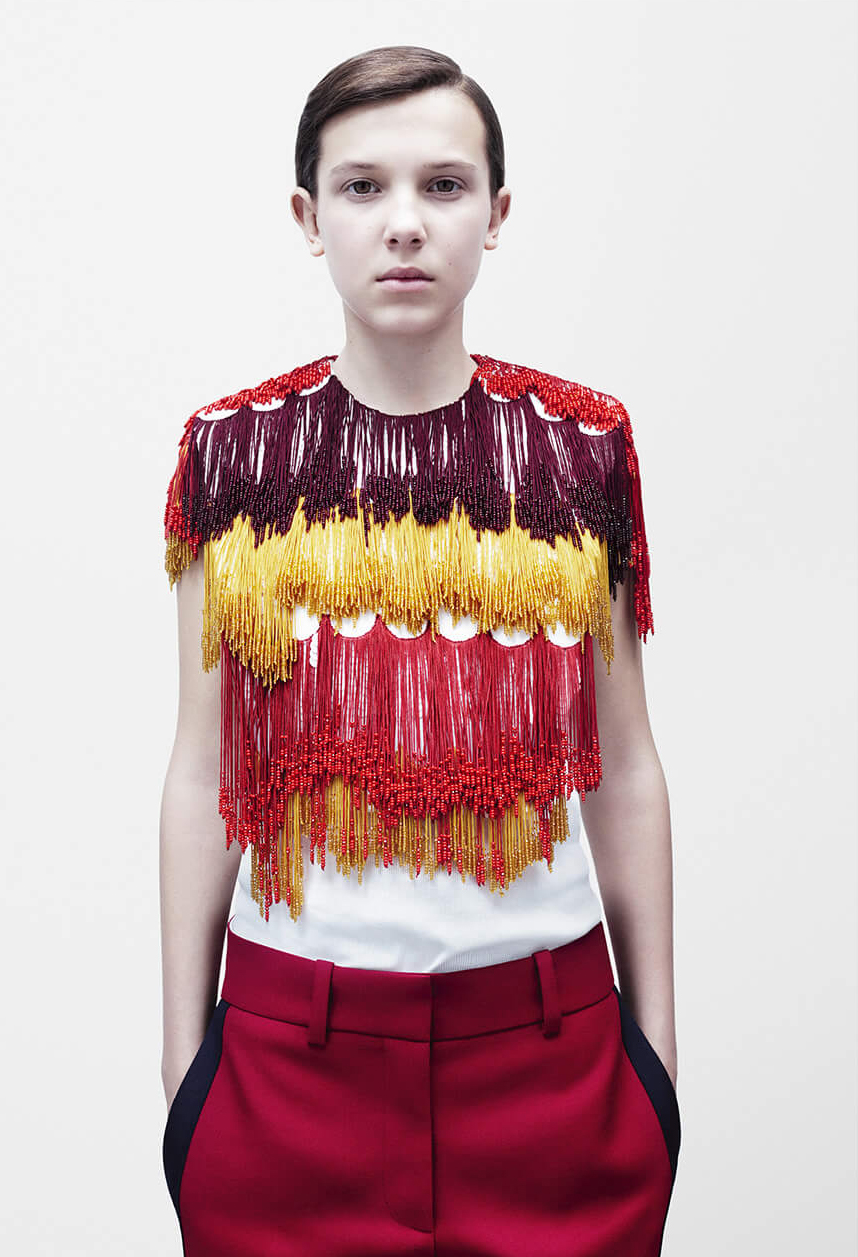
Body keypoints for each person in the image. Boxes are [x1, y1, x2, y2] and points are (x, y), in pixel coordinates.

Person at [159, 44, 681, 1257]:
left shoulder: (579, 448)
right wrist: (186, 1079)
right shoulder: (233, 454)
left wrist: (658, 1064)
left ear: (496, 214)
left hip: (553, 1063)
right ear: (310, 218)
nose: (405, 223)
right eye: (363, 187)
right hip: (287, 1072)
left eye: (444, 186)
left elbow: (624, 766)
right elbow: (202, 769)